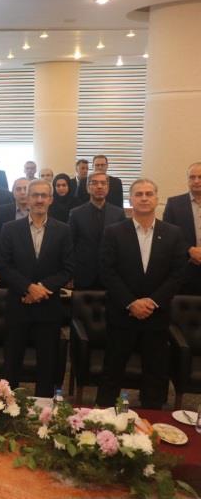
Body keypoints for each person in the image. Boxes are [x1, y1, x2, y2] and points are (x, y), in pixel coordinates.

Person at [96, 179, 186, 409]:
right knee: (112, 371)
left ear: (157, 199)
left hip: (156, 316)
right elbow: (107, 271)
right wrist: (131, 302)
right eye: (139, 194)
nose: (144, 198)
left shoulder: (173, 233)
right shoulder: (114, 232)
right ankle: (103, 419)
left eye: (149, 194)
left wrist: (152, 301)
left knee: (155, 374)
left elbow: (177, 274)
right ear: (130, 199)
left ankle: (151, 420)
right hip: (122, 314)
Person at [0, 179, 73, 397]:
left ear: (50, 200)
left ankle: (44, 410)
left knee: (47, 364)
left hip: (49, 308)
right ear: (27, 199)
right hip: (18, 305)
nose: (39, 200)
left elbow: (68, 269)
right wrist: (28, 288)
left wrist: (41, 288)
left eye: (43, 196)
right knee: (12, 362)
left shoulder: (63, 230)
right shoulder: (10, 229)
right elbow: (4, 266)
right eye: (35, 195)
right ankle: (7, 406)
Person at [67, 172, 126, 290]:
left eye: (103, 183)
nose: (99, 186)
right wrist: (69, 274)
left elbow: (122, 246)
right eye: (94, 183)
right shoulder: (76, 213)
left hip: (111, 275)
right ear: (88, 188)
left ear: (108, 187)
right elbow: (69, 246)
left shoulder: (118, 213)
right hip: (83, 275)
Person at [163, 162, 201, 294]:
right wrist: (189, 249)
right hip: (184, 269)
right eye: (192, 177)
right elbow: (166, 235)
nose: (196, 181)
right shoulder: (174, 204)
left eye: (200, 177)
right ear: (187, 179)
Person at [0, 178, 30, 286]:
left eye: (26, 189)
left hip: (32, 268)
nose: (22, 192)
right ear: (13, 193)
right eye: (18, 189)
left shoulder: (40, 212)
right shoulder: (2, 211)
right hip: (7, 268)